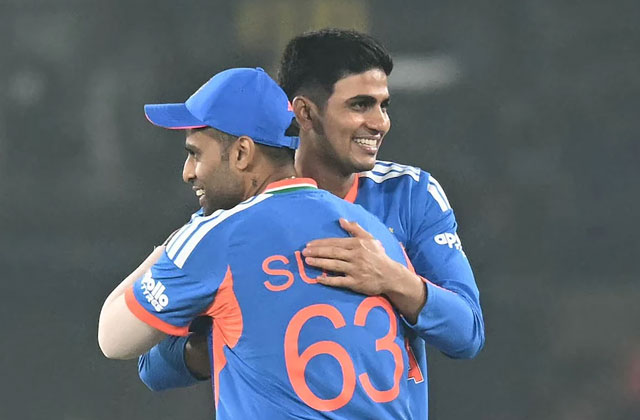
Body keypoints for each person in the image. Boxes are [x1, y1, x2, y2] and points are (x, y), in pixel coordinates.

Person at [138, 29, 485, 419]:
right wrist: (242, 336)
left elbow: (467, 332)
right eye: (360, 105)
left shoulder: (409, 194)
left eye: (383, 106)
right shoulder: (235, 211)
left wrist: (392, 278)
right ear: (304, 113)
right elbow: (153, 366)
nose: (380, 123)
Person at [98, 67, 420, 419]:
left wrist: (169, 248)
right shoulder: (375, 236)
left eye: (196, 154)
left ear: (242, 153)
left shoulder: (218, 235)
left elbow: (113, 339)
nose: (188, 172)